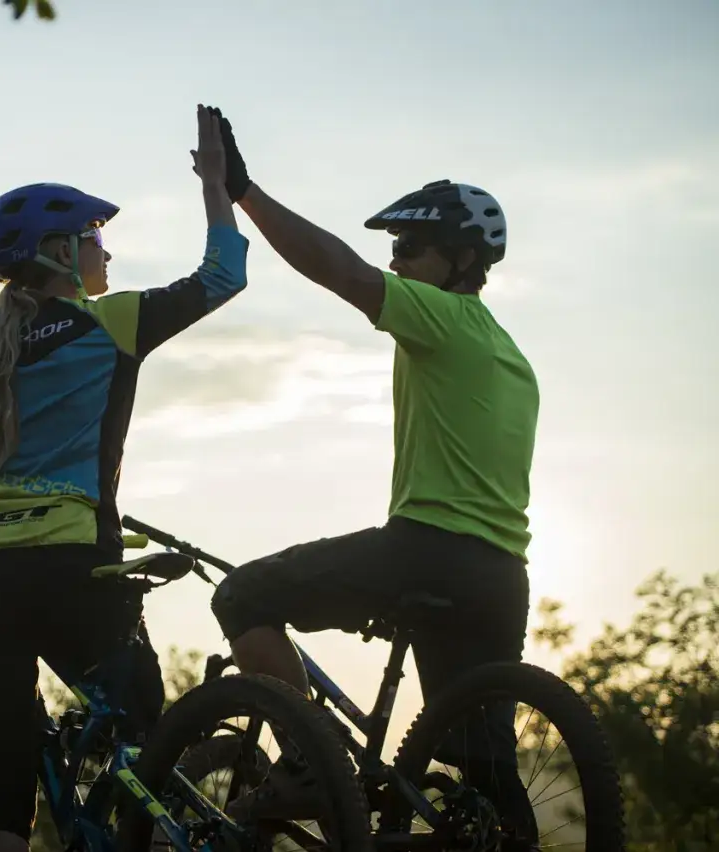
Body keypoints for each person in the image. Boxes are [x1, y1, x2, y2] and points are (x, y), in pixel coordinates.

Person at [201, 107, 540, 842]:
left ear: (461, 259)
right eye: (394, 248)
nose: (396, 260)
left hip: (428, 548)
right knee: (485, 786)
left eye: (410, 246)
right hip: (499, 578)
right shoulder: (510, 355)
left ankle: (309, 763)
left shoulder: (442, 319)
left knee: (243, 594)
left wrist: (245, 193)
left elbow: (341, 271)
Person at [0, 105, 249, 852]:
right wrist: (215, 185)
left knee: (3, 804)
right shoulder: (110, 323)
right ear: (58, 253)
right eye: (94, 237)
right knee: (146, 744)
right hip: (77, 561)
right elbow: (223, 275)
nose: (106, 249)